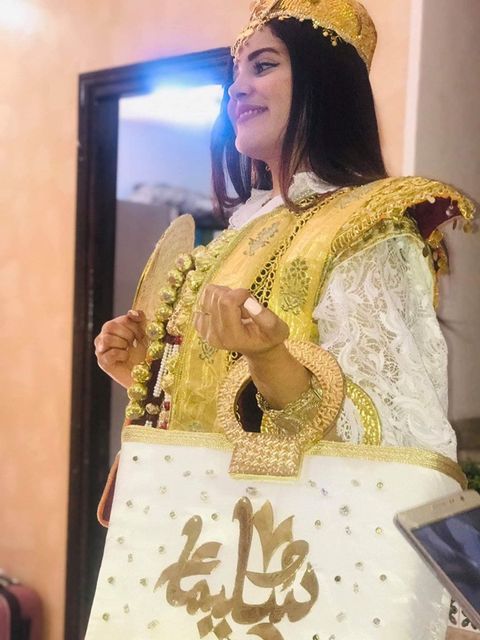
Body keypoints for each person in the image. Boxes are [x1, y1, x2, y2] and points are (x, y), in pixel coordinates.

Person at [88, 1, 476, 639]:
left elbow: (395, 434)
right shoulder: (238, 233)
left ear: (324, 81)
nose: (237, 87)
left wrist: (271, 361)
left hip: (297, 573)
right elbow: (217, 418)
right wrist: (145, 379)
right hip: (195, 553)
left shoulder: (368, 226)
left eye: (263, 65)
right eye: (235, 72)